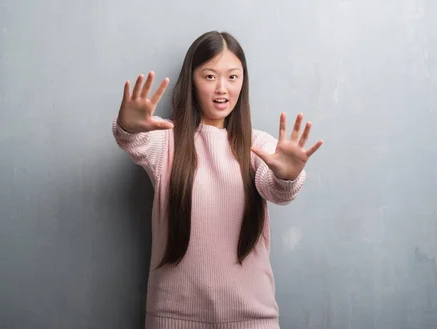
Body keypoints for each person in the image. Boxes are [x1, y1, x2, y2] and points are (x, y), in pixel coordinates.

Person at [112, 30, 323, 329]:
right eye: (209, 76)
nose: (221, 88)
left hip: (253, 319)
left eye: (232, 77)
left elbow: (277, 189)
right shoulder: (167, 142)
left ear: (243, 82)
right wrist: (128, 126)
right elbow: (133, 140)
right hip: (174, 319)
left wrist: (287, 176)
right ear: (192, 81)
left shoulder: (258, 146)